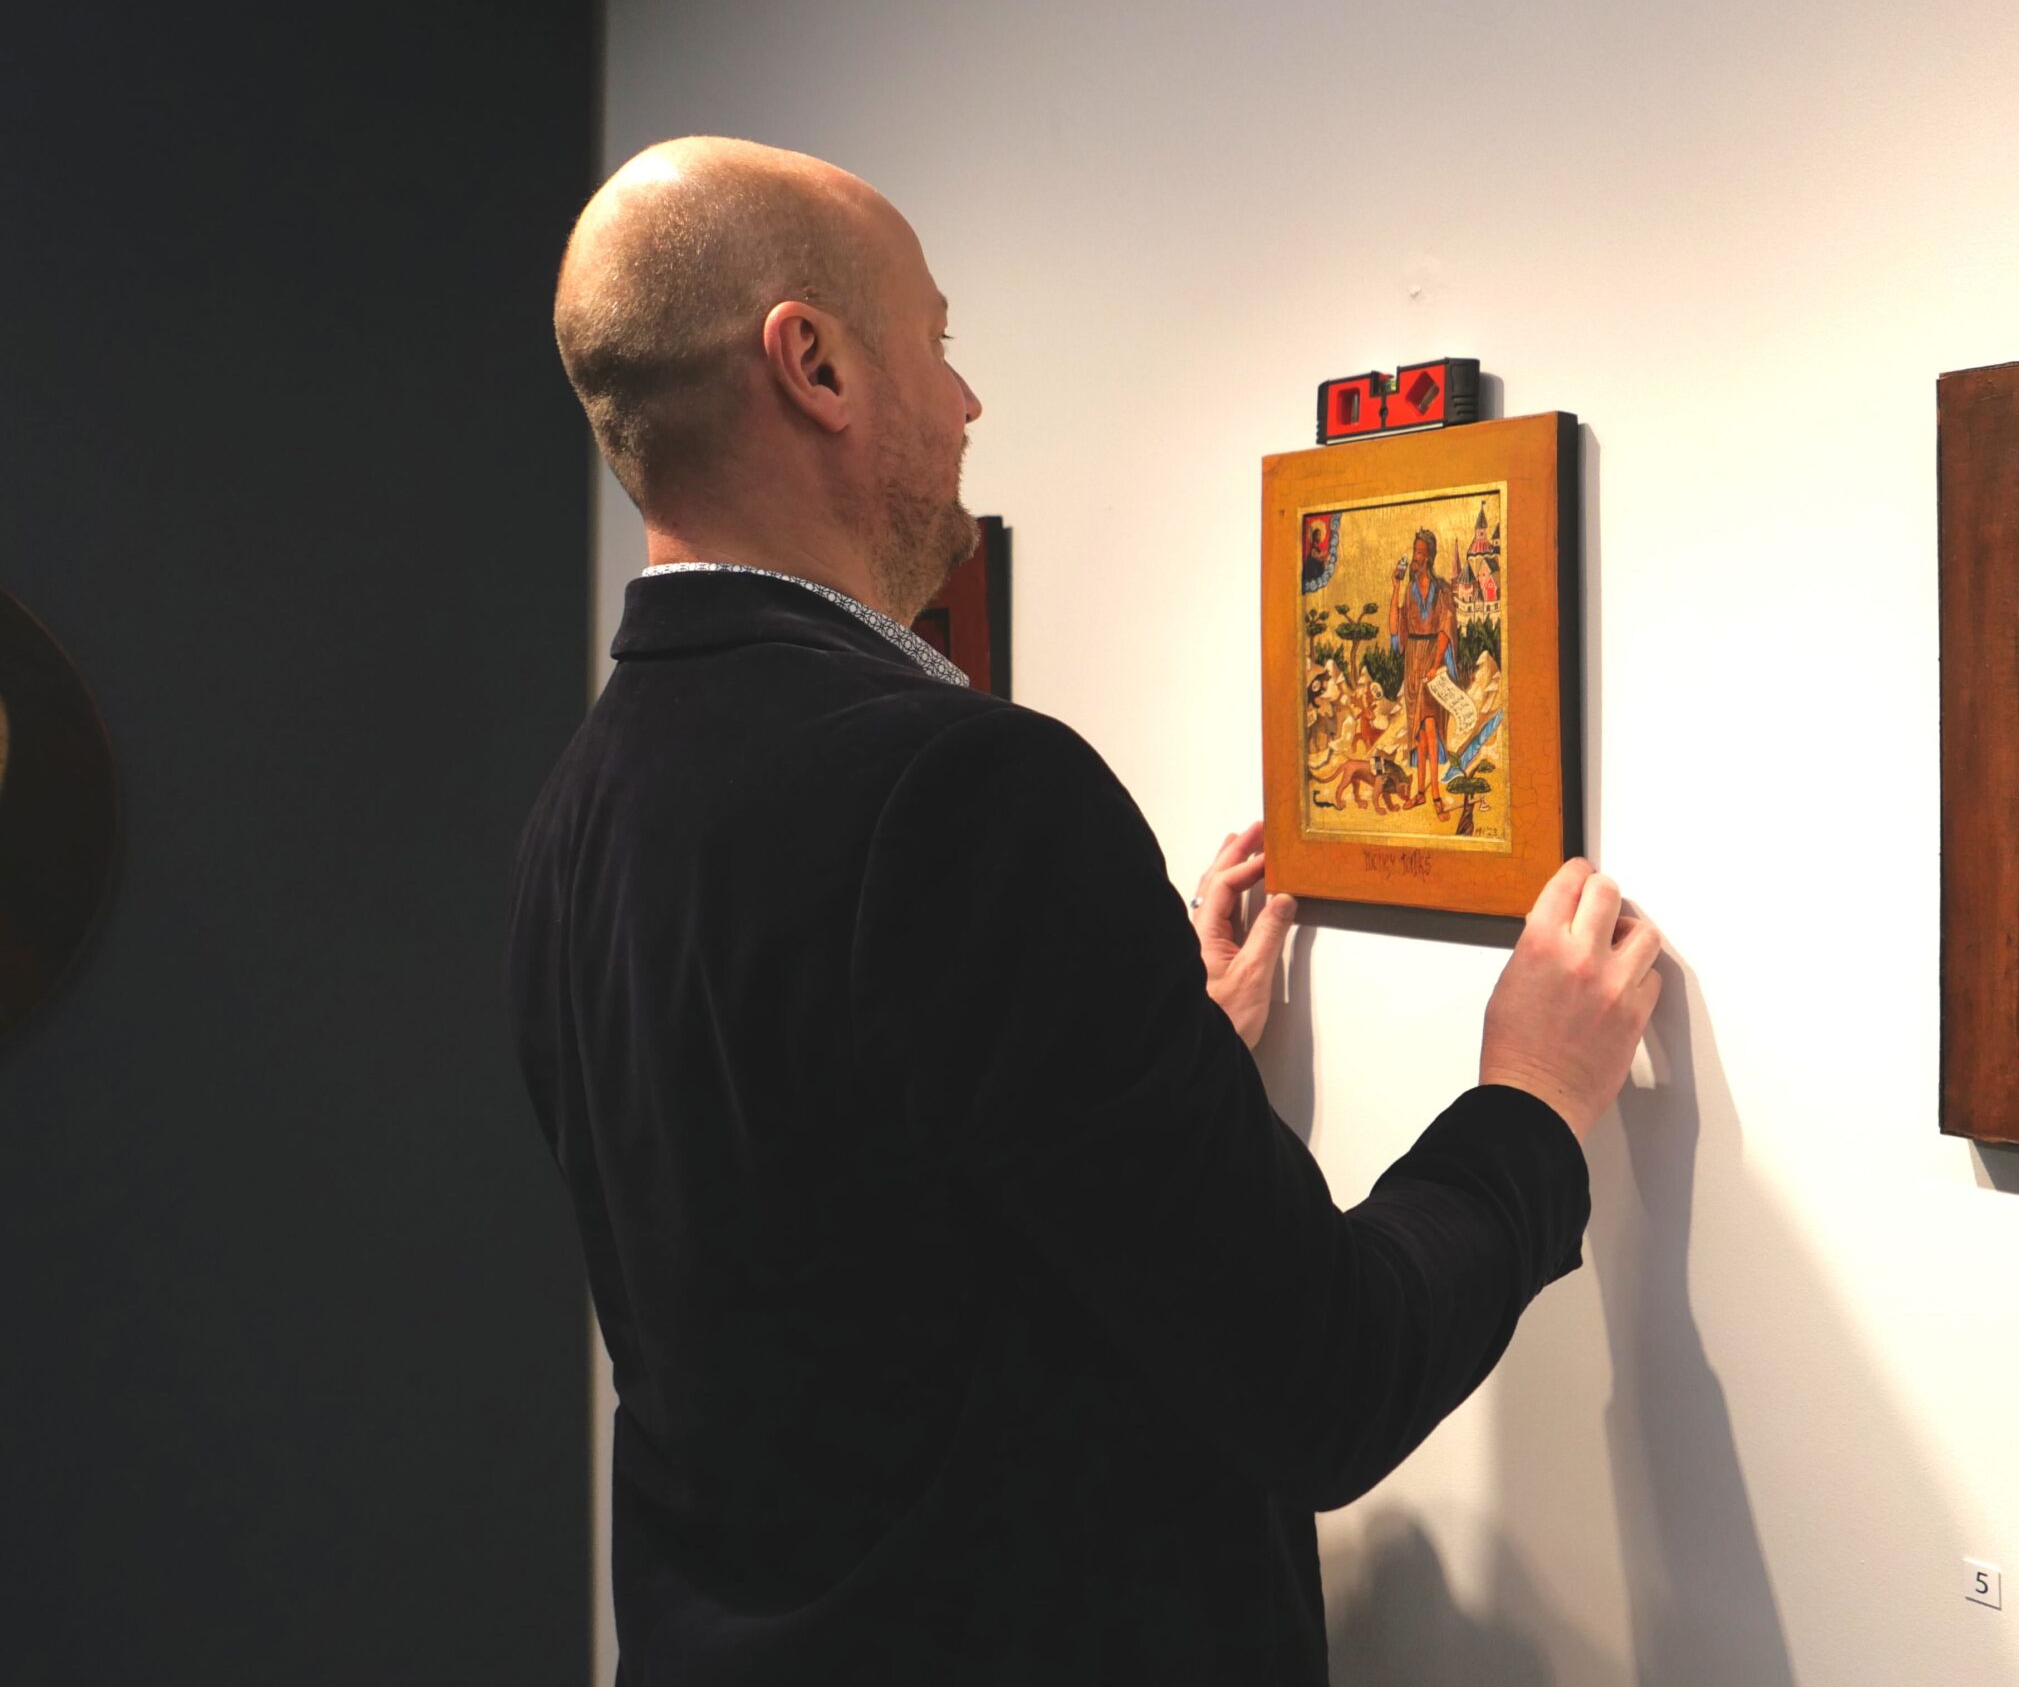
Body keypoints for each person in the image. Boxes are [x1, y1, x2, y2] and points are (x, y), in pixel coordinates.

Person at [509, 137, 1663, 1684]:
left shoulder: (584, 800)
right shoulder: (962, 790)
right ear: (816, 366)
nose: (969, 402)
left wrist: (1160, 1049)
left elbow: (847, 1233)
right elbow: (1325, 1377)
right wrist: (1532, 1101)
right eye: (937, 342)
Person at [1389, 529, 1459, 819]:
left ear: (1428, 556)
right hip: (1413, 664)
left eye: (1419, 553)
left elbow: (1446, 626)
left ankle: (1435, 795)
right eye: (1414, 552)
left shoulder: (1442, 590)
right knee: (1418, 732)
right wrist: (1395, 587)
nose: (1415, 557)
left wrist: (1435, 664)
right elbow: (1397, 628)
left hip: (1433, 659)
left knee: (1430, 726)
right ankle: (1420, 792)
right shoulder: (1409, 590)